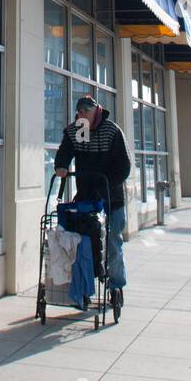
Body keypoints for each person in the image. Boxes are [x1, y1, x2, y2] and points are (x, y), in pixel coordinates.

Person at [54, 93, 131, 311]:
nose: (81, 115)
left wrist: (105, 185)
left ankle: (116, 285)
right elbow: (66, 151)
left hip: (110, 198)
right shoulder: (80, 130)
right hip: (86, 200)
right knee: (84, 244)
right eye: (78, 112)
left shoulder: (111, 131)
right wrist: (61, 165)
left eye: (84, 111)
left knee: (113, 243)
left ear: (95, 111)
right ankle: (85, 287)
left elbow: (124, 166)